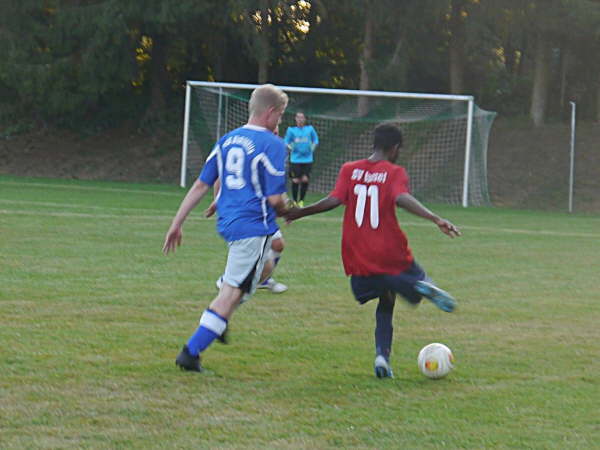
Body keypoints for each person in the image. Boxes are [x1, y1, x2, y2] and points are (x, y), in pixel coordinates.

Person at [286, 123, 461, 379]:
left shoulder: (350, 169)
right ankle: (419, 285)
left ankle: (382, 357)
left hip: (357, 254)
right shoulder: (394, 172)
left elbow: (333, 200)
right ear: (395, 148)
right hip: (389, 251)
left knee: (385, 298)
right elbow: (401, 197)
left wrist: (301, 212)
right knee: (411, 287)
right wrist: (435, 218)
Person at [163, 84, 290, 372]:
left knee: (263, 268)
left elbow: (201, 184)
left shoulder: (228, 140)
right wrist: (291, 211)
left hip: (231, 222)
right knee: (232, 293)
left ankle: (219, 318)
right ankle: (191, 352)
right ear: (270, 112)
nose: (280, 122)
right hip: (253, 226)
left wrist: (177, 222)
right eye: (280, 116)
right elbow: (274, 199)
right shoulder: (273, 145)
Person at [284, 111, 319, 207]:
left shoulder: (310, 129)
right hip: (295, 160)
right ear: (295, 119)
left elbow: (315, 140)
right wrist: (291, 148)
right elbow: (286, 141)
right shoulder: (291, 130)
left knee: (305, 180)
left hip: (307, 159)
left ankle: (301, 201)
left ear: (305, 119)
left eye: (302, 117)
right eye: (298, 117)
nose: (300, 119)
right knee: (296, 180)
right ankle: (295, 201)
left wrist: (312, 148)